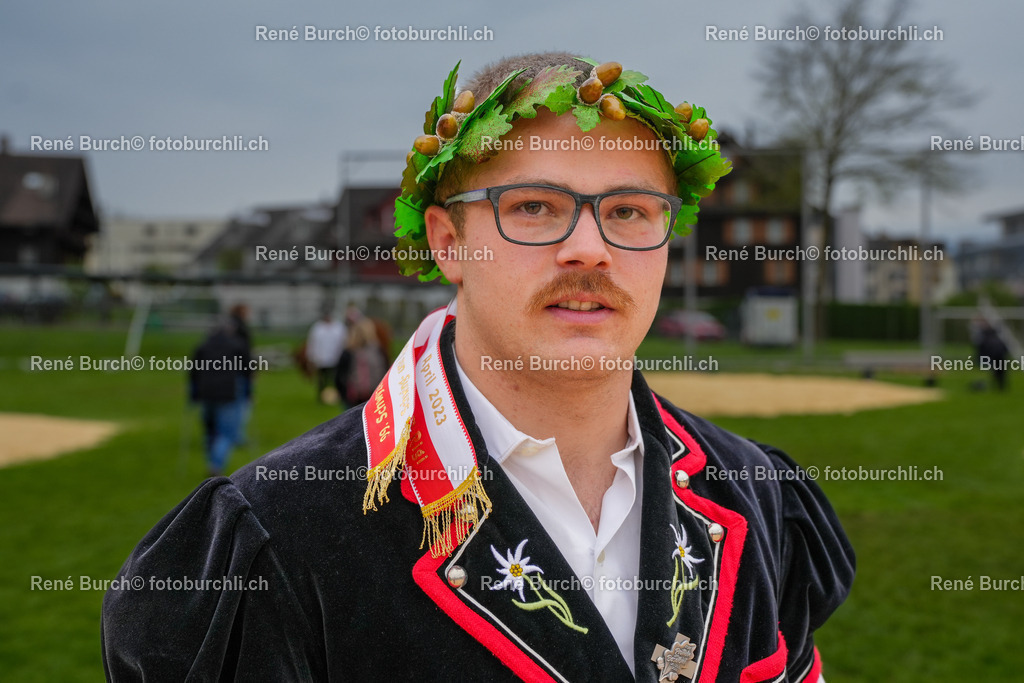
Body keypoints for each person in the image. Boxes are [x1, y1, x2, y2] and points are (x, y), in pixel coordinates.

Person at [103, 53, 854, 682]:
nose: (589, 249)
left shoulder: (758, 496)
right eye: (534, 206)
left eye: (628, 211)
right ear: (448, 242)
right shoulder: (280, 536)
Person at [188, 319, 250, 477]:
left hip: (206, 394)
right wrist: (248, 393)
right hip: (228, 394)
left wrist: (193, 396)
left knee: (210, 430)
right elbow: (247, 371)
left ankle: (211, 462)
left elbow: (193, 374)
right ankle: (216, 465)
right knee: (226, 432)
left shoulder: (202, 347)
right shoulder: (236, 346)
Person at [334, 317, 388, 408]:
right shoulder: (378, 351)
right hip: (373, 394)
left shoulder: (348, 352)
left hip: (353, 396)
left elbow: (339, 376)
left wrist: (343, 394)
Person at [305, 307, 346, 403]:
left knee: (336, 379)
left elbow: (343, 343)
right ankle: (321, 397)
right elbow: (312, 343)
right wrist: (311, 357)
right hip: (321, 359)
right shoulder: (317, 328)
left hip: (336, 359)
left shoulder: (339, 327)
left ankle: (336, 397)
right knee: (321, 380)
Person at [228, 303, 254, 444]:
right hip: (239, 371)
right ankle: (237, 435)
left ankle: (231, 433)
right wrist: (250, 370)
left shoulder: (227, 326)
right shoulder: (241, 329)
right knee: (241, 404)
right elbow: (244, 353)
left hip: (226, 371)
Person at [975, 322, 1010, 391]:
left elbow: (982, 350)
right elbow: (1005, 349)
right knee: (1002, 374)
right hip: (1001, 358)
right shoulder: (1000, 339)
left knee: (996, 373)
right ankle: (1001, 387)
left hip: (994, 358)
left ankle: (997, 387)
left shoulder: (986, 340)